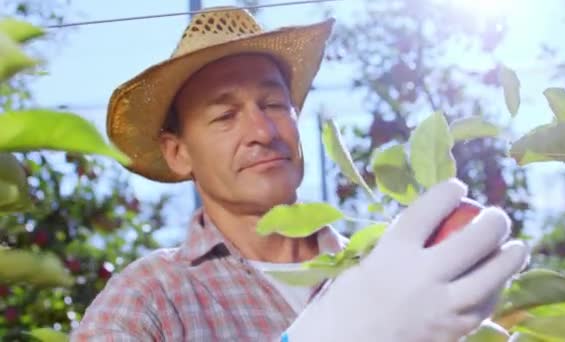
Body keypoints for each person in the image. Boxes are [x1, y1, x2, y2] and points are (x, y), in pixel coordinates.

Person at [71, 6, 529, 341]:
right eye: (225, 116)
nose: (261, 130)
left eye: (273, 104)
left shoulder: (383, 266)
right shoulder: (152, 296)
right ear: (177, 153)